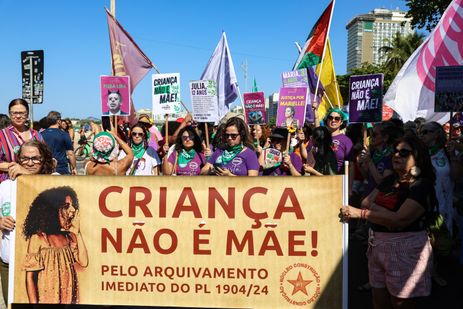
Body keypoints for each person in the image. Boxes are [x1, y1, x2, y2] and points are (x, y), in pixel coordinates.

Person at [340, 134, 436, 308]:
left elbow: (399, 220)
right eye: (395, 152)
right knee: (379, 299)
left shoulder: (422, 185)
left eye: (404, 153)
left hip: (405, 250)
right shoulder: (390, 179)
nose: (397, 155)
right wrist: (386, 214)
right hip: (377, 246)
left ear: (418, 157)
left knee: (400, 302)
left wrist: (364, 214)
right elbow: (366, 202)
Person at [0, 140, 55, 305]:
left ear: (44, 159)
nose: (30, 163)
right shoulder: (5, 186)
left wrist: (28, 176)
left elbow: (52, 200)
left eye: (35, 158)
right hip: (10, 264)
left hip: (47, 266)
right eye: (25, 159)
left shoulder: (55, 180)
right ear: (18, 160)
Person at [23, 186, 88, 304]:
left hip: (68, 298)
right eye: (66, 206)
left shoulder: (68, 236)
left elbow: (84, 262)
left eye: (73, 206)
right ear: (52, 210)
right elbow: (30, 278)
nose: (72, 210)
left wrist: (77, 233)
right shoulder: (38, 238)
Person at [0, 99, 44, 182]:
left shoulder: (37, 135)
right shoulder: (1, 135)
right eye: (14, 113)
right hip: (9, 182)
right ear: (9, 114)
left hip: (34, 181)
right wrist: (14, 167)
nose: (18, 116)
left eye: (22, 113)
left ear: (27, 115)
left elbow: (46, 158)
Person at [322, 107, 353, 174]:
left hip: (337, 180)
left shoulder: (346, 141)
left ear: (341, 122)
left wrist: (349, 184)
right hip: (320, 179)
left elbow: (351, 165)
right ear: (327, 120)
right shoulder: (321, 137)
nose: (333, 120)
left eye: (337, 118)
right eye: (330, 118)